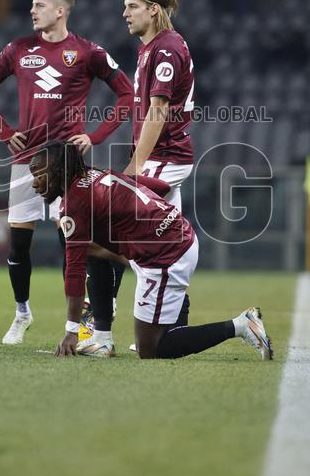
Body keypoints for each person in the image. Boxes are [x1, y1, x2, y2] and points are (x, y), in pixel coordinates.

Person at [0, 0, 133, 345]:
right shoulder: (18, 49)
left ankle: (75, 325)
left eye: (40, 5)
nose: (33, 10)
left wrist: (95, 136)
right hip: (26, 160)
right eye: (32, 4)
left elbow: (127, 93)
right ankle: (21, 313)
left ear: (61, 11)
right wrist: (3, 129)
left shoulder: (87, 52)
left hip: (67, 165)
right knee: (17, 245)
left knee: (71, 243)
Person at [29, 142, 273, 361]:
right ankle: (104, 336)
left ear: (59, 172)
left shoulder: (73, 205)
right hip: (178, 236)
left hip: (165, 256)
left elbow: (74, 272)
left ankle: (241, 326)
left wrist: (71, 331)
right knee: (90, 247)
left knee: (151, 349)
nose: (34, 183)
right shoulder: (98, 173)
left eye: (38, 174)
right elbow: (161, 185)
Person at [78, 0, 197, 350]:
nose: (124, 13)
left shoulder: (165, 50)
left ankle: (98, 330)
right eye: (125, 6)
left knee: (101, 233)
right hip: (160, 158)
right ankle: (173, 325)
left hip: (163, 160)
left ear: (153, 10)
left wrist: (135, 167)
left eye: (132, 6)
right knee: (166, 245)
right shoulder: (151, 48)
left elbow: (158, 112)